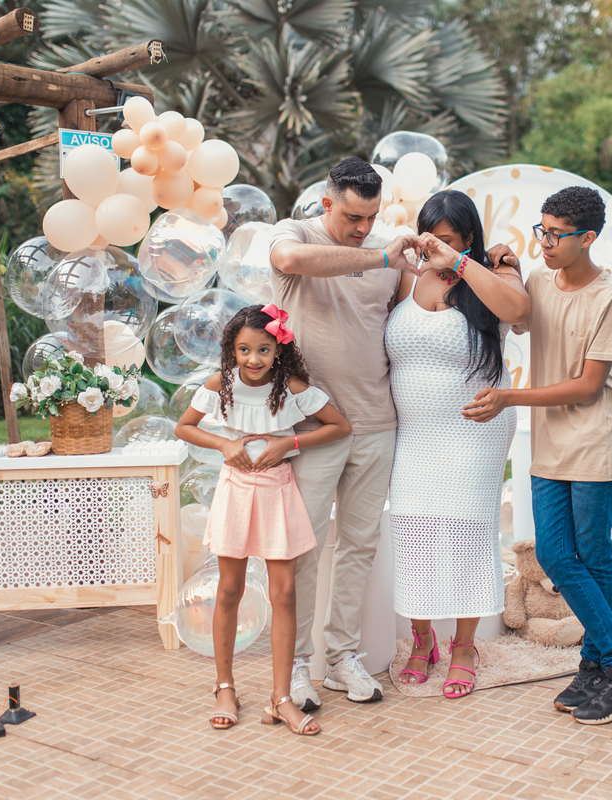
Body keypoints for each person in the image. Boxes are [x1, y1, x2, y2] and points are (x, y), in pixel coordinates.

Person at [462, 186, 612, 725]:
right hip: (551, 447)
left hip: (596, 445)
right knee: (555, 553)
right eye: (541, 231)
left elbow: (588, 387)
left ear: (588, 237)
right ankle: (610, 665)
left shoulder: (609, 299)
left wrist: (509, 397)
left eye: (555, 235)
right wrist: (508, 266)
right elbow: (519, 317)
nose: (544, 243)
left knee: (592, 557)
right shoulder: (540, 280)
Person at [269, 157, 422, 709]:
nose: (363, 227)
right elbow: (290, 260)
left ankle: (340, 659)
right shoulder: (296, 234)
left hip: (377, 421)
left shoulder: (390, 256)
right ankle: (296, 667)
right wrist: (378, 256)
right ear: (327, 203)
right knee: (303, 550)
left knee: (359, 546)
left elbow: (410, 320)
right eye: (352, 216)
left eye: (372, 217)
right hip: (311, 425)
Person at [174, 304, 352, 736]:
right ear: (232, 350)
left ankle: (281, 698)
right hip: (235, 489)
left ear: (278, 350)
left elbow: (339, 426)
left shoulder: (291, 387)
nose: (253, 359)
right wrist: (223, 444)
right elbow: (184, 427)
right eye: (244, 349)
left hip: (277, 490)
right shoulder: (221, 384)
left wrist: (289, 442)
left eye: (264, 350)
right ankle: (225, 689)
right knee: (229, 588)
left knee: (285, 592)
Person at [384, 190, 529, 698]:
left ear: (468, 237)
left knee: (466, 534)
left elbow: (520, 312)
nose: (436, 249)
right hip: (413, 436)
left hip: (474, 434)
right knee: (414, 533)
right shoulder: (409, 275)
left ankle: (465, 646)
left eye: (447, 240)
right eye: (431, 239)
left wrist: (463, 264)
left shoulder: (495, 273)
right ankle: (422, 639)